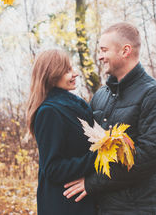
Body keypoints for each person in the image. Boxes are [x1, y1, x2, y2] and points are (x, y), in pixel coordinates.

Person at [63, 22, 156, 214]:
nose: (99, 56)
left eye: (104, 50)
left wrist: (92, 183)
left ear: (125, 51)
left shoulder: (155, 95)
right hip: (100, 207)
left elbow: (149, 157)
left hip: (137, 208)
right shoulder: (101, 95)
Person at [26, 49, 97, 215]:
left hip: (81, 201)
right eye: (67, 70)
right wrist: (98, 158)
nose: (75, 74)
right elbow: (53, 168)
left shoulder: (75, 105)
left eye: (72, 69)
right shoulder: (50, 112)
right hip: (63, 204)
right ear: (51, 74)